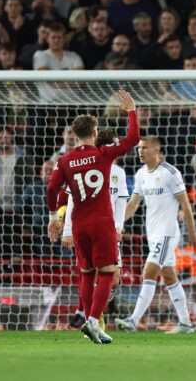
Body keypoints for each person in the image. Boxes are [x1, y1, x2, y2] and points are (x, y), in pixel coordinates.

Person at [46, 90, 140, 344]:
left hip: (79, 225)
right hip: (102, 224)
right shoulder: (103, 155)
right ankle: (93, 321)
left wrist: (53, 217)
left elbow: (52, 189)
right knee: (108, 273)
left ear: (75, 135)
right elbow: (132, 139)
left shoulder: (65, 160)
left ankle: (92, 322)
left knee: (86, 274)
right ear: (95, 132)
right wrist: (131, 111)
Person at [115, 136, 196, 334]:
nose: (140, 151)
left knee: (148, 272)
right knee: (169, 276)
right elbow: (133, 204)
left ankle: (133, 320)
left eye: (145, 148)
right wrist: (117, 224)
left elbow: (185, 205)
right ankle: (186, 323)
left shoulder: (170, 173)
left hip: (167, 234)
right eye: (139, 148)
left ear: (157, 150)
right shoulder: (141, 174)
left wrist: (193, 233)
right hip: (152, 234)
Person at [62, 129, 129, 330]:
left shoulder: (119, 173)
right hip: (87, 227)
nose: (117, 148)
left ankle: (93, 316)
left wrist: (118, 227)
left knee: (113, 277)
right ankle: (93, 319)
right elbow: (71, 200)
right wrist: (67, 229)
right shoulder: (86, 166)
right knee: (90, 273)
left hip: (109, 229)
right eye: (113, 145)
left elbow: (121, 202)